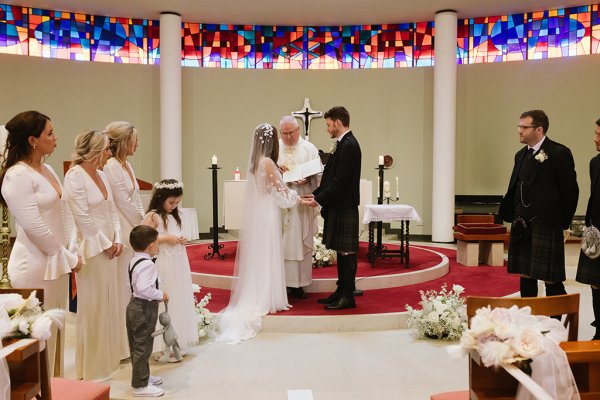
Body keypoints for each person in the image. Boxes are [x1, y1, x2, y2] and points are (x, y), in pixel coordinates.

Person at [0, 111, 82, 377]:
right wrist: (65, 256)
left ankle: (54, 386)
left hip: (56, 260)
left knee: (56, 333)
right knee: (38, 336)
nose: (56, 138)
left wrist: (70, 248)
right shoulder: (17, 175)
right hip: (33, 264)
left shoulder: (46, 169)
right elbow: (33, 226)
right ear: (33, 140)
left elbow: (64, 210)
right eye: (50, 133)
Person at [217, 123, 299, 344]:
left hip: (261, 213)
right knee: (268, 253)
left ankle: (261, 292)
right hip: (268, 214)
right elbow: (281, 196)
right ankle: (267, 297)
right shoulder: (269, 163)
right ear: (272, 141)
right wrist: (298, 196)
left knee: (261, 255)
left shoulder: (256, 163)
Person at [499, 110, 578, 298]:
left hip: (546, 224)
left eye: (524, 127)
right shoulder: (520, 155)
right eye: (519, 126)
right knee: (525, 274)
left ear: (539, 129)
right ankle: (529, 319)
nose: (519, 131)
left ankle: (555, 324)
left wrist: (561, 223)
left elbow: (570, 191)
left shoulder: (558, 152)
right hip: (521, 223)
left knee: (551, 278)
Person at [64, 129, 123, 381]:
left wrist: (118, 238)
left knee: (108, 304)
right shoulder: (74, 176)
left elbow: (112, 210)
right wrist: (105, 244)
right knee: (93, 306)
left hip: (109, 246)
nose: (110, 153)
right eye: (107, 149)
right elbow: (83, 218)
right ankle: (91, 368)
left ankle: (107, 361)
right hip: (91, 249)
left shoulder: (101, 174)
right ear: (96, 150)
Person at [302, 106, 362, 310]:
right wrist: (317, 194)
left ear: (338, 122)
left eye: (328, 125)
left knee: (346, 252)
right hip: (339, 204)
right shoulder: (342, 143)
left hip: (345, 205)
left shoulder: (349, 145)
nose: (327, 129)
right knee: (341, 251)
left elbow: (340, 180)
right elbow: (330, 177)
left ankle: (348, 296)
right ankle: (341, 290)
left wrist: (319, 200)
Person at [142, 179, 198, 357]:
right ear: (160, 198)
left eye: (177, 203)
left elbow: (178, 232)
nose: (174, 206)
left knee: (180, 296)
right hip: (165, 262)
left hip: (179, 261)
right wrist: (166, 239)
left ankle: (178, 339)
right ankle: (162, 344)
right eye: (171, 202)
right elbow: (143, 236)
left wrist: (182, 238)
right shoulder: (153, 216)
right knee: (167, 296)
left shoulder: (174, 214)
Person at [104, 121, 145, 360]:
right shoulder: (111, 166)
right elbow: (122, 203)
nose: (137, 144)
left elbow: (136, 197)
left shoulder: (126, 165)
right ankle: (119, 344)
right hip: (122, 226)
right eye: (134, 140)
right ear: (123, 142)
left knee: (131, 286)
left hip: (134, 226)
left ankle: (131, 339)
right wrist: (142, 225)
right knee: (123, 286)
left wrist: (144, 220)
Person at [277, 115, 320, 299]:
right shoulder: (275, 148)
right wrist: (277, 172)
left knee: (298, 241)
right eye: (284, 133)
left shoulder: (309, 149)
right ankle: (280, 283)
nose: (287, 137)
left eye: (291, 133)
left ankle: (299, 284)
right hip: (280, 202)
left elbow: (319, 174)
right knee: (282, 241)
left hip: (301, 201)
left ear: (298, 130)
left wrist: (308, 178)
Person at [126, 225, 168, 397]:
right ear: (151, 247)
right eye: (157, 244)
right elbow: (144, 288)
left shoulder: (134, 260)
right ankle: (140, 385)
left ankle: (144, 375)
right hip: (144, 307)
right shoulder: (148, 265)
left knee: (137, 345)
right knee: (143, 346)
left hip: (134, 305)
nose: (158, 247)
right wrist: (160, 294)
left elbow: (131, 285)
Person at [576, 118, 600, 339]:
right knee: (595, 282)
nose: (595, 138)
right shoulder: (595, 162)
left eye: (598, 134)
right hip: (597, 232)